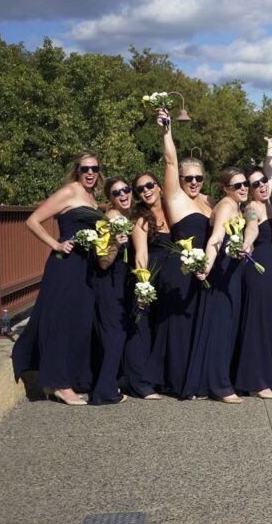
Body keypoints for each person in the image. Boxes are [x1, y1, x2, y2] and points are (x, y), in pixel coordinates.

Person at [12, 152, 103, 405]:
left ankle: (63, 379)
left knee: (78, 322)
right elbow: (33, 221)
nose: (90, 173)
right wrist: (56, 244)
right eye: (85, 168)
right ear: (77, 170)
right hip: (66, 265)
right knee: (62, 321)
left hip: (86, 267)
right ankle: (60, 384)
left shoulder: (91, 195)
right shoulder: (69, 192)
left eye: (94, 168)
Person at [146, 109, 212, 396]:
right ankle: (175, 381)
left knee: (197, 323)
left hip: (204, 270)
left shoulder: (209, 202)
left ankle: (193, 378)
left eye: (198, 178)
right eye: (189, 178)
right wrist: (166, 131)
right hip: (180, 268)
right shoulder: (175, 198)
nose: (194, 182)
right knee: (179, 326)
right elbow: (171, 161)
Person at [180, 167, 254, 403]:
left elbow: (252, 225)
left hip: (232, 274)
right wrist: (207, 266)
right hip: (220, 273)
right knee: (219, 329)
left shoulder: (240, 206)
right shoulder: (224, 206)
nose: (243, 188)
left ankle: (211, 382)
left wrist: (248, 244)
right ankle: (219, 386)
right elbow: (216, 238)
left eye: (245, 184)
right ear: (225, 189)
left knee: (226, 327)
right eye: (237, 186)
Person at [233, 166, 272, 399]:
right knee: (258, 325)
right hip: (261, 269)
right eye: (255, 184)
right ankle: (255, 382)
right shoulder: (253, 208)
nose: (261, 185)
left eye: (263, 180)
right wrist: (246, 241)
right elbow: (251, 224)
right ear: (250, 191)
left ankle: (267, 377)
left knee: (271, 325)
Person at [123, 172, 168, 400]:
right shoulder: (141, 217)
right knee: (141, 329)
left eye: (150, 185)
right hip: (147, 277)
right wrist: (143, 285)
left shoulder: (171, 210)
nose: (146, 190)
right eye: (140, 189)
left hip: (167, 281)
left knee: (160, 329)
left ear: (159, 186)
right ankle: (139, 384)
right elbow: (141, 253)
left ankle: (158, 378)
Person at [90, 178, 134, 405]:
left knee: (118, 334)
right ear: (110, 199)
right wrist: (115, 244)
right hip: (108, 285)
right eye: (117, 193)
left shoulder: (128, 217)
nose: (123, 194)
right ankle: (103, 392)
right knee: (114, 336)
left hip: (122, 284)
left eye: (126, 190)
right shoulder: (108, 220)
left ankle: (109, 383)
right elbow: (103, 262)